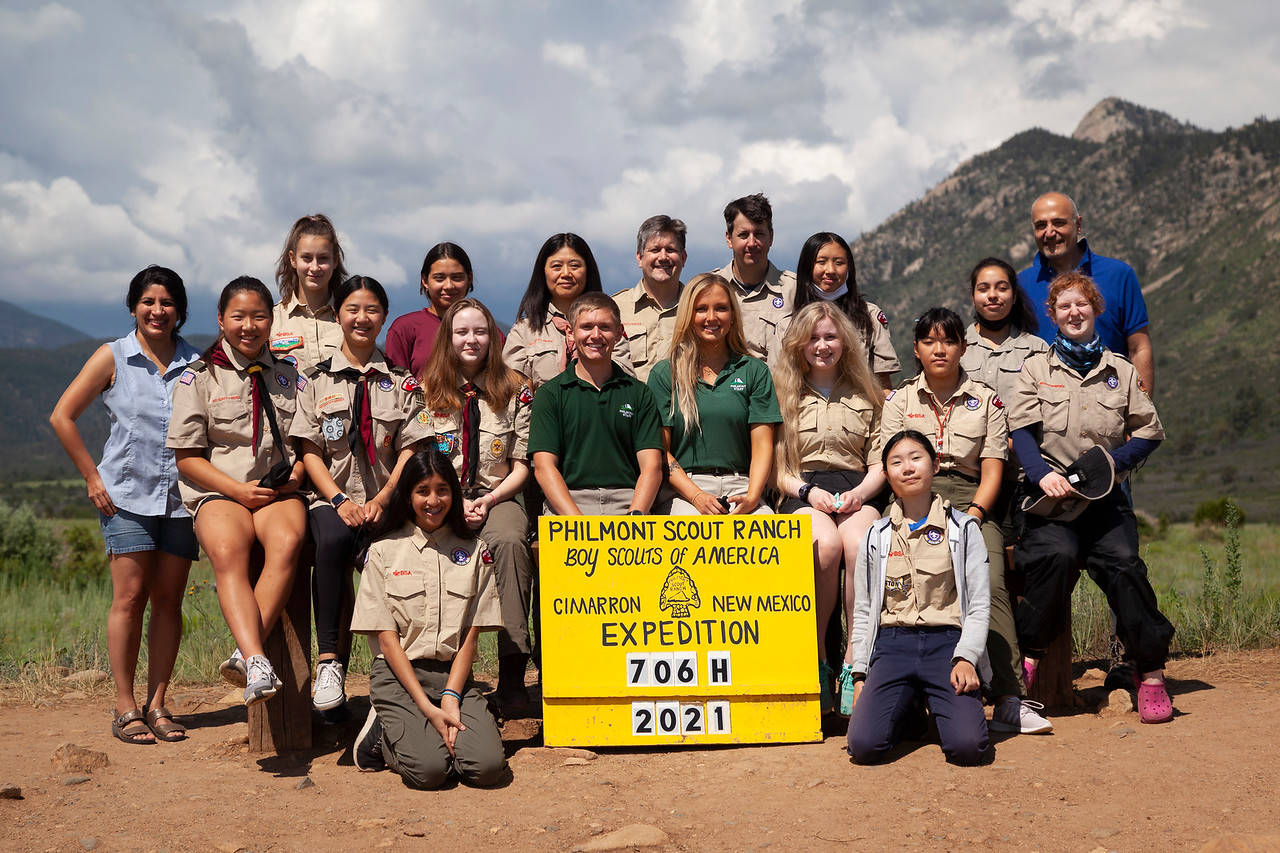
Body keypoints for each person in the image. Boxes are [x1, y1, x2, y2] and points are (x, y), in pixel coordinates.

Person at [871, 307, 1049, 734]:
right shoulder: (899, 400)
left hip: (972, 500)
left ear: (963, 347)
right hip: (911, 498)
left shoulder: (986, 399)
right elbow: (892, 465)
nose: (939, 349)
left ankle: (1009, 697)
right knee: (882, 574)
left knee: (989, 580)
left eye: (948, 341)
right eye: (929, 341)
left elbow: (991, 471)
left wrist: (972, 517)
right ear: (915, 349)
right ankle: (889, 689)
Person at [1008, 271, 1173, 723]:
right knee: (1055, 558)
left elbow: (1149, 432)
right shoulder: (1034, 370)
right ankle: (1028, 658)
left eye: (1082, 305)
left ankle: (1151, 671)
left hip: (1106, 502)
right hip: (1051, 501)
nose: (1074, 313)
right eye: (1064, 307)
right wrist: (1041, 475)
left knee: (1123, 565)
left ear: (1096, 309)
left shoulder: (1120, 370)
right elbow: (1021, 431)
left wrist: (1114, 464)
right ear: (1053, 315)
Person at [49, 265, 202, 744]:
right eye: (148, 302)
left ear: (180, 311)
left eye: (167, 303)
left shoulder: (198, 363)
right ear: (133, 306)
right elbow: (62, 416)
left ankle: (157, 704)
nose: (158, 311)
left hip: (181, 501)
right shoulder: (112, 356)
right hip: (126, 499)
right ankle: (124, 706)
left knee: (169, 602)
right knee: (130, 599)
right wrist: (92, 477)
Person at [290, 275, 431, 713]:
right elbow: (309, 450)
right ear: (338, 316)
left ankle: (399, 673)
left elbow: (413, 448)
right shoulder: (314, 381)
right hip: (332, 501)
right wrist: (339, 501)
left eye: (372, 310)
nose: (362, 318)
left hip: (386, 504)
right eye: (353, 309)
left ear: (384, 317)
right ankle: (331, 661)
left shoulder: (404, 383)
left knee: (399, 557)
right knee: (331, 540)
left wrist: (384, 498)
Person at [168, 276, 307, 706]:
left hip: (278, 491)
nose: (249, 326)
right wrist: (236, 491)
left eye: (259, 316)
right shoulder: (198, 378)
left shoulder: (290, 375)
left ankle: (246, 654)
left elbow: (306, 445)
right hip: (220, 490)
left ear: (272, 320)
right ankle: (258, 659)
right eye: (238, 317)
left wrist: (298, 475)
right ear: (221, 320)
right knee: (229, 551)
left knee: (287, 542)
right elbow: (187, 458)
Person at [350, 449, 508, 788]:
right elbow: (387, 642)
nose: (433, 500)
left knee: (487, 768)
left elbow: (470, 635)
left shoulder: (476, 550)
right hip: (399, 676)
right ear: (408, 496)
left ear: (454, 493)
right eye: (423, 491)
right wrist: (424, 705)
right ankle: (382, 733)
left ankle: (426, 732)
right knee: (431, 771)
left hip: (452, 674)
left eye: (442, 490)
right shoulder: (383, 551)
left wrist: (451, 697)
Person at [846, 429, 992, 766]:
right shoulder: (876, 535)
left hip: (947, 645)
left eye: (916, 458)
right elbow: (866, 609)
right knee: (865, 747)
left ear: (935, 465)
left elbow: (979, 605)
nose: (907, 468)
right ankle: (908, 701)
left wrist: (967, 657)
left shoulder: (964, 529)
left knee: (969, 749)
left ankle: (931, 699)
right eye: (896, 462)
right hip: (892, 644)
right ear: (886, 475)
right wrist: (861, 675)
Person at [420, 297, 536, 712]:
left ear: (493, 337)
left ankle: (512, 673)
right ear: (448, 338)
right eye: (462, 332)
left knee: (508, 542)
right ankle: (448, 673)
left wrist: (488, 499)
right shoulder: (424, 389)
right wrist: (450, 505)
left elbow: (522, 465)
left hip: (497, 493)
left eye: (480, 331)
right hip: (439, 499)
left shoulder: (516, 389)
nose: (472, 340)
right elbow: (417, 458)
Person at [771, 301, 886, 714]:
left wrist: (860, 494)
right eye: (814, 338)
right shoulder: (781, 392)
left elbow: (879, 463)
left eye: (831, 337)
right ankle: (819, 656)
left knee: (860, 545)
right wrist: (806, 493)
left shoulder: (868, 391)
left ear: (845, 342)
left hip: (858, 489)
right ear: (800, 343)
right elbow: (776, 467)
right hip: (802, 491)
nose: (822, 345)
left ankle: (855, 665)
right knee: (824, 547)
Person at [648, 273, 781, 515]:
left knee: (768, 530)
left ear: (732, 316)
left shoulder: (755, 371)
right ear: (688, 315)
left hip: (742, 487)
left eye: (721, 308)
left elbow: (763, 444)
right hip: (683, 492)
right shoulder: (664, 373)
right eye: (701, 309)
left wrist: (752, 497)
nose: (711, 317)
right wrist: (696, 496)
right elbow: (659, 451)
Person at [528, 293, 664, 516]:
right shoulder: (550, 394)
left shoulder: (639, 394)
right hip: (568, 502)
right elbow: (544, 468)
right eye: (586, 327)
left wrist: (635, 515)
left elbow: (652, 467)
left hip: (628, 502)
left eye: (605, 327)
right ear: (570, 333)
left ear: (620, 333)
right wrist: (579, 523)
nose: (595, 335)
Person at [1016, 192, 1154, 394]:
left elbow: (1139, 348)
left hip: (1112, 408)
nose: (1049, 232)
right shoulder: (1020, 285)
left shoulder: (1119, 275)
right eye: (1041, 226)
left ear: (1078, 225)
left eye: (1058, 223)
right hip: (1047, 414)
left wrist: (1143, 412)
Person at [959, 257, 1048, 540]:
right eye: (984, 288)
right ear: (973, 296)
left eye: (1001, 287)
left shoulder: (1037, 350)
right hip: (967, 478)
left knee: (1019, 564)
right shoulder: (956, 347)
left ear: (1013, 294)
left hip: (1019, 479)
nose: (993, 295)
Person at [504, 233, 631, 390]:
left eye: (575, 266)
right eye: (556, 266)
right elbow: (512, 393)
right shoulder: (523, 331)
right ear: (543, 272)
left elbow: (625, 386)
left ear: (588, 270)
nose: (565, 273)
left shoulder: (607, 328)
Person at [792, 232, 900, 391]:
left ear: (849, 267)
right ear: (807, 266)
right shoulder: (791, 314)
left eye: (839, 262)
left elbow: (883, 384)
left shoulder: (869, 315)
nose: (830, 270)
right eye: (821, 262)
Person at [709, 193, 796, 363]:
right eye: (743, 235)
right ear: (729, 238)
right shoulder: (709, 288)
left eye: (759, 234)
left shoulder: (794, 290)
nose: (752, 242)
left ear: (771, 236)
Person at [612, 215, 687, 381]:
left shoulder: (698, 307)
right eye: (655, 250)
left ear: (683, 258)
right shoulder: (614, 308)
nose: (663, 257)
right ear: (639, 257)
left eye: (671, 250)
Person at [270, 214, 348, 372]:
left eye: (323, 258)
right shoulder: (272, 320)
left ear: (335, 261)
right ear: (293, 259)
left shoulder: (349, 319)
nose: (314, 267)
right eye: (306, 258)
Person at [386, 242, 473, 377]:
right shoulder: (404, 329)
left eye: (457, 277)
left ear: (470, 278)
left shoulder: (487, 331)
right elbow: (395, 389)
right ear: (425, 280)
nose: (449, 285)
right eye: (439, 278)